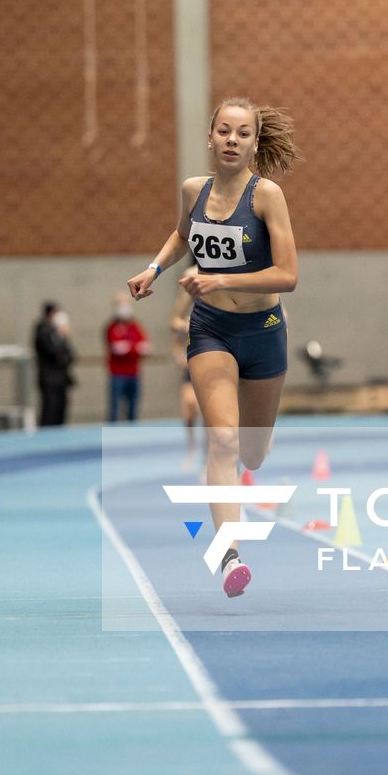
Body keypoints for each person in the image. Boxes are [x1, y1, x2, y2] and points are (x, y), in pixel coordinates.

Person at [128, 97, 301, 598]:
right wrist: (155, 268)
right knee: (223, 441)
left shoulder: (266, 196)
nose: (231, 140)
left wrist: (218, 276)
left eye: (242, 134)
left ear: (253, 144)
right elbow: (183, 233)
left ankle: (254, 452)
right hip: (211, 330)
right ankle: (229, 555)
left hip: (264, 329)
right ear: (210, 137)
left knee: (253, 452)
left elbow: (288, 276)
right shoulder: (193, 190)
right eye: (224, 131)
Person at [103, 292, 152, 422]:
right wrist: (136, 347)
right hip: (117, 374)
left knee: (133, 409)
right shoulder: (111, 327)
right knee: (115, 409)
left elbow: (146, 348)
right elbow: (118, 349)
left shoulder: (135, 326)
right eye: (121, 305)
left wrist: (129, 347)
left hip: (134, 374)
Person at [170, 285, 200, 466]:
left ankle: (210, 454)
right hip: (191, 369)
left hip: (211, 369)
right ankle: (191, 448)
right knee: (188, 409)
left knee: (211, 414)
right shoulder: (187, 320)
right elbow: (175, 336)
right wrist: (179, 357)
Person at [33, 302, 76, 427]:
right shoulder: (42, 331)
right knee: (50, 412)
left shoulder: (58, 334)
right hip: (49, 380)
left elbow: (70, 356)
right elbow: (53, 353)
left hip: (61, 380)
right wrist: (61, 337)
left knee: (60, 413)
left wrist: (63, 337)